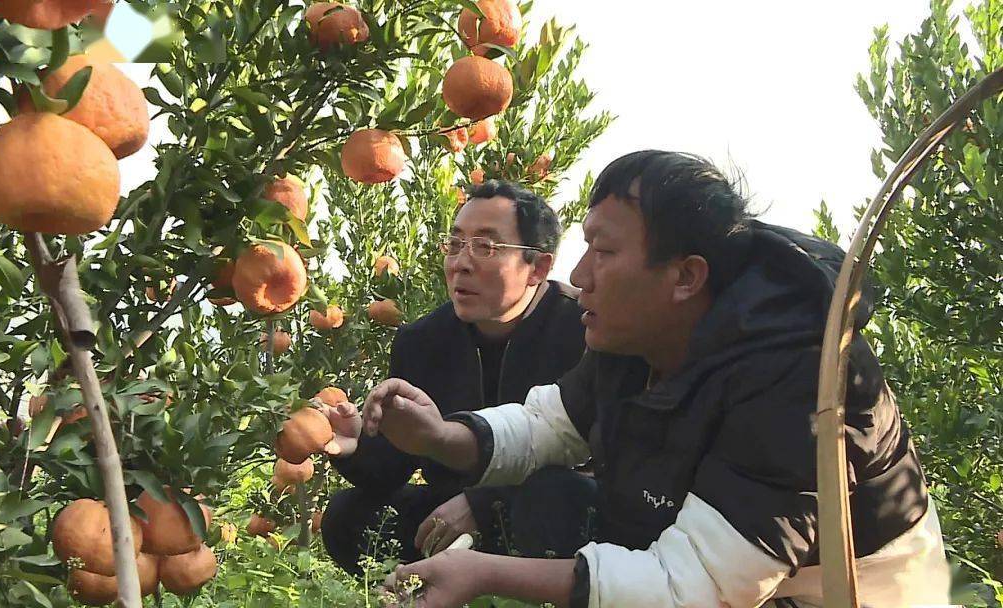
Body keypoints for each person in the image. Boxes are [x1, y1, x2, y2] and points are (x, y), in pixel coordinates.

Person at [363, 151, 951, 607]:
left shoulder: (797, 378)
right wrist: (440, 436)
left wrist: (485, 572)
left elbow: (693, 589)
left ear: (685, 277)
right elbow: (549, 423)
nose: (578, 274)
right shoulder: (633, 338)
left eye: (604, 251)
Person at [321, 180, 589, 575]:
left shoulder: (581, 329)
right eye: (455, 244)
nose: (460, 263)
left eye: (485, 247)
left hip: (542, 505)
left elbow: (593, 461)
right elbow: (392, 468)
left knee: (565, 499)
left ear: (538, 267)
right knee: (348, 515)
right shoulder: (422, 340)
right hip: (449, 514)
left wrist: (486, 505)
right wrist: (351, 445)